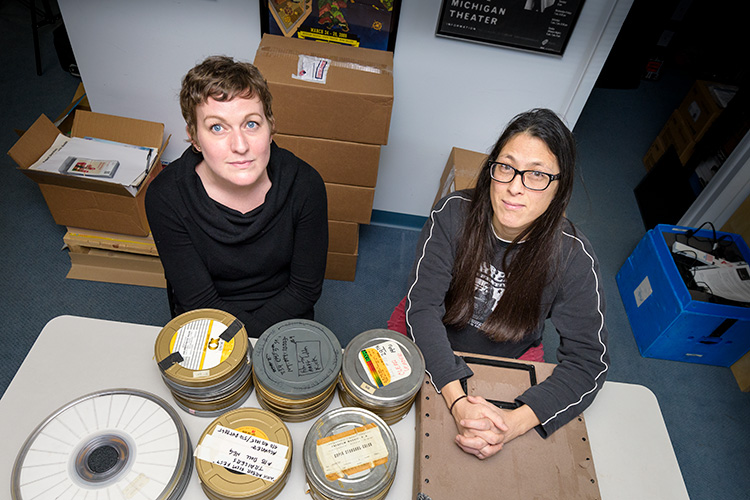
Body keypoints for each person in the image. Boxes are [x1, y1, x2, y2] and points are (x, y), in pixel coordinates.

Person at [403, 108, 609, 459]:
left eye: (537, 175)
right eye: (506, 167)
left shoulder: (573, 256)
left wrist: (511, 423)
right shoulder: (452, 213)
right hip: (436, 339)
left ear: (560, 187)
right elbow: (422, 309)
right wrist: (458, 402)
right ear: (492, 169)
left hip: (511, 354)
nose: (515, 187)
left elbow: (588, 361)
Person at [145, 56, 328, 337]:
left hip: (286, 317)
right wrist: (244, 346)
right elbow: (200, 301)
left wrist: (260, 343)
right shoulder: (166, 197)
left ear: (270, 127)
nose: (240, 145)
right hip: (208, 321)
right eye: (217, 127)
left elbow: (303, 289)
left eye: (251, 124)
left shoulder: (305, 185)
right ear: (194, 137)